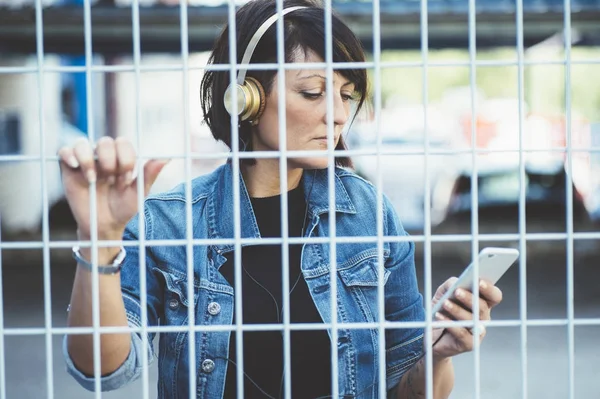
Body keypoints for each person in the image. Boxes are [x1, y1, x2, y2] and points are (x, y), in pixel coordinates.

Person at [59, 0, 503, 398]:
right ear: (246, 98)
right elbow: (102, 371)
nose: (337, 114)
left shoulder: (368, 215)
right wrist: (100, 239)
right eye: (313, 92)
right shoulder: (171, 223)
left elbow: (410, 390)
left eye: (346, 95)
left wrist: (439, 353)